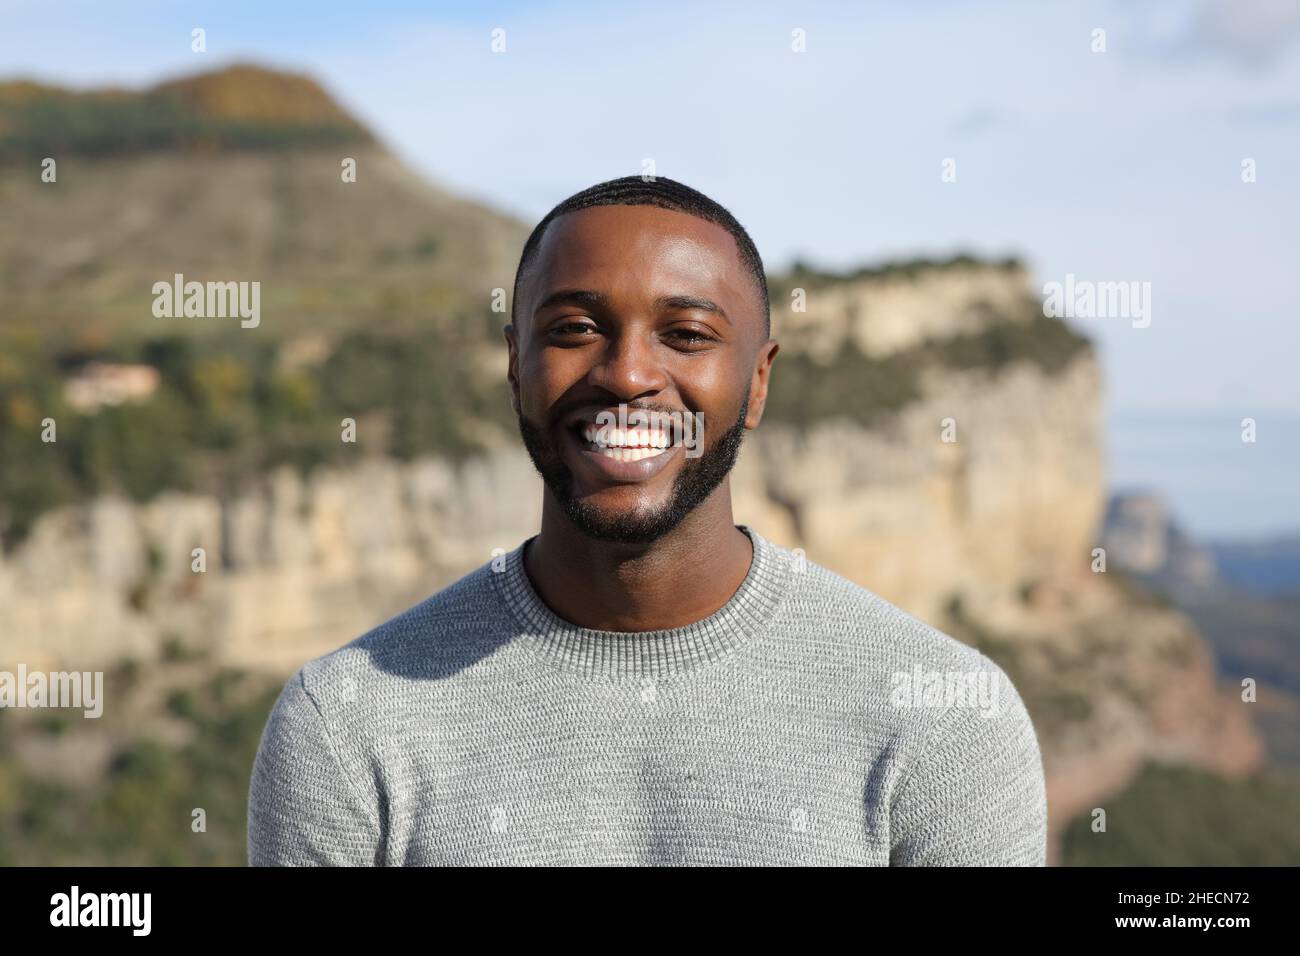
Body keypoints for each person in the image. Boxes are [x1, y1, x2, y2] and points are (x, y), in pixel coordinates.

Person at [247, 175, 1047, 866]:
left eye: (687, 335)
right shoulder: (347, 723)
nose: (628, 374)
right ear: (515, 364)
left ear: (758, 382)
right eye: (573, 330)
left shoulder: (945, 722)